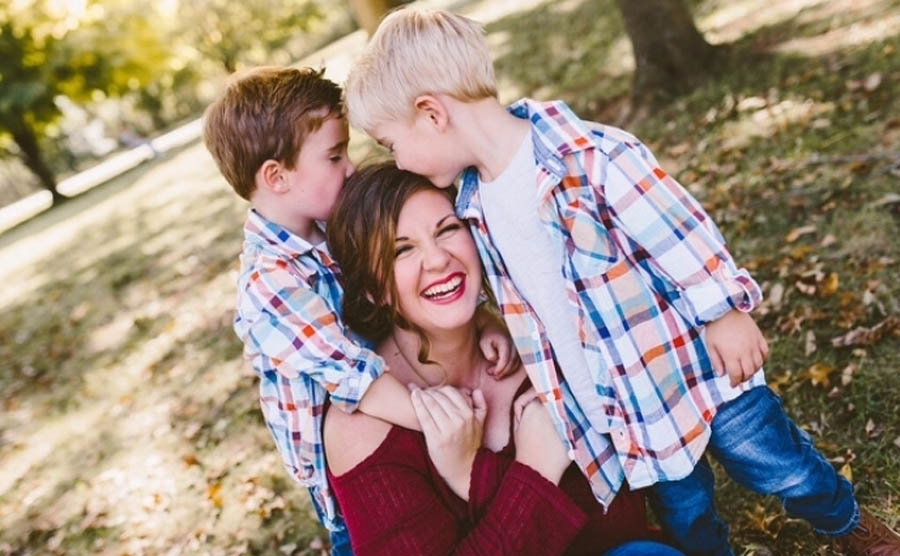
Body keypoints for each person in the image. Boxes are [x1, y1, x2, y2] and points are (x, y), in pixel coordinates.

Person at [342, 8, 900, 556]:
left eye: (393, 144)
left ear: (432, 113)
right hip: (627, 406)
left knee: (779, 463)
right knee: (686, 515)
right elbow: (522, 290)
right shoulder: (474, 203)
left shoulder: (589, 157)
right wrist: (491, 323)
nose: (401, 162)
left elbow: (677, 230)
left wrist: (725, 309)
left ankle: (846, 522)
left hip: (695, 370)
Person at [202, 66, 519, 554]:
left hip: (397, 418)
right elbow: (357, 380)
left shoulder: (329, 229)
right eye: (333, 155)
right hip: (349, 480)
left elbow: (400, 291)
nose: (349, 167)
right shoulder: (270, 285)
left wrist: (483, 320)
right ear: (276, 176)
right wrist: (452, 424)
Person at [324, 162, 683, 556]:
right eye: (402, 250)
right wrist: (533, 469)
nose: (439, 259)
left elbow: (619, 522)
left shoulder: (537, 344)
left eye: (448, 229)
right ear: (373, 290)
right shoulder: (361, 426)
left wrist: (473, 479)